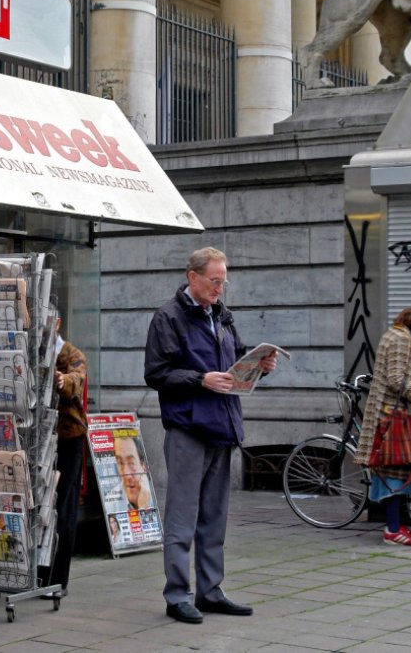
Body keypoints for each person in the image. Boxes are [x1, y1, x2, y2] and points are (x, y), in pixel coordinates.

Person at [144, 247, 278, 625]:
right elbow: (156, 373)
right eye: (214, 280)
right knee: (183, 515)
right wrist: (200, 379)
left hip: (222, 425)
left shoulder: (222, 316)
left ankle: (210, 591)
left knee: (215, 518)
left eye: (224, 281)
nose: (220, 287)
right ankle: (176, 595)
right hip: (188, 427)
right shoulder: (168, 318)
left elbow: (234, 370)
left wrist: (259, 367)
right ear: (193, 277)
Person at [353, 307, 411, 548]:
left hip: (389, 414)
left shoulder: (395, 335)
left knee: (395, 470)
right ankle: (393, 530)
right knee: (394, 471)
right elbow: (396, 380)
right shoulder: (401, 340)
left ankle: (394, 525)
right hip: (391, 417)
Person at [38, 320, 87, 598]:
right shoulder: (33, 351)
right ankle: (39, 572)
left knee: (63, 506)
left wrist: (62, 380)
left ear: (55, 323)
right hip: (39, 438)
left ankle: (58, 579)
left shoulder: (72, 354)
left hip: (67, 440)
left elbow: (75, 379)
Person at [114, 434, 153, 510]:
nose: (126, 475)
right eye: (120, 463)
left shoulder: (155, 497)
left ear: (143, 467)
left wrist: (143, 507)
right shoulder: (111, 501)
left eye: (131, 463)